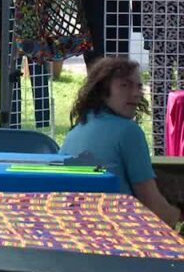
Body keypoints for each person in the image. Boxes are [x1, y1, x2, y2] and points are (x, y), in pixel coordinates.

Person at [61, 58, 182, 227]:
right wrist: (178, 216)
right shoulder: (128, 131)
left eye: (139, 86)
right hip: (119, 232)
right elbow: (154, 208)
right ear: (102, 92)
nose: (136, 93)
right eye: (125, 85)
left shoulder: (75, 131)